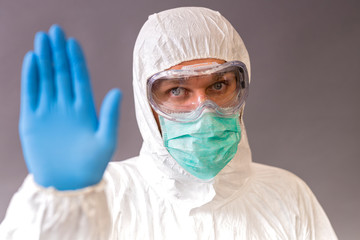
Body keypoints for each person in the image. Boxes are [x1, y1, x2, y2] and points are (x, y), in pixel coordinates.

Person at [0, 7, 337, 239]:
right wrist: (60, 198)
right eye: (177, 90)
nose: (202, 109)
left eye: (219, 86)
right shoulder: (106, 194)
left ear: (241, 88)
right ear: (148, 103)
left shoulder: (286, 195)